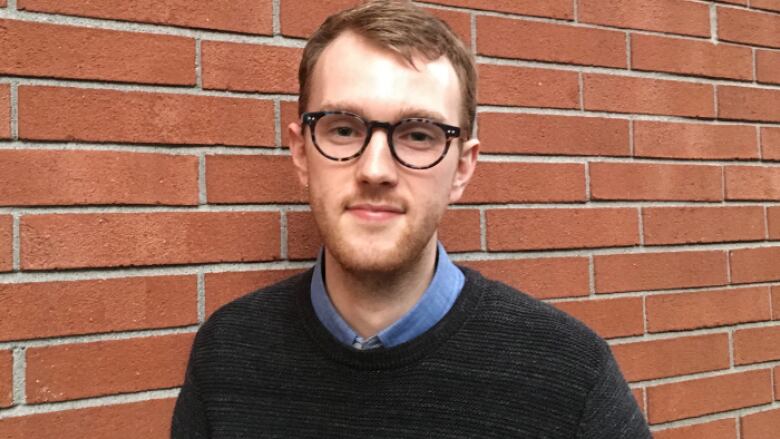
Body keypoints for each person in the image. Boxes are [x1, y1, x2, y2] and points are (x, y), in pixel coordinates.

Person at [171, 1, 652, 437]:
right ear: (301, 153)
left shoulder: (570, 376)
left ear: (462, 168)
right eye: (343, 129)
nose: (375, 170)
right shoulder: (226, 355)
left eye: (418, 135)